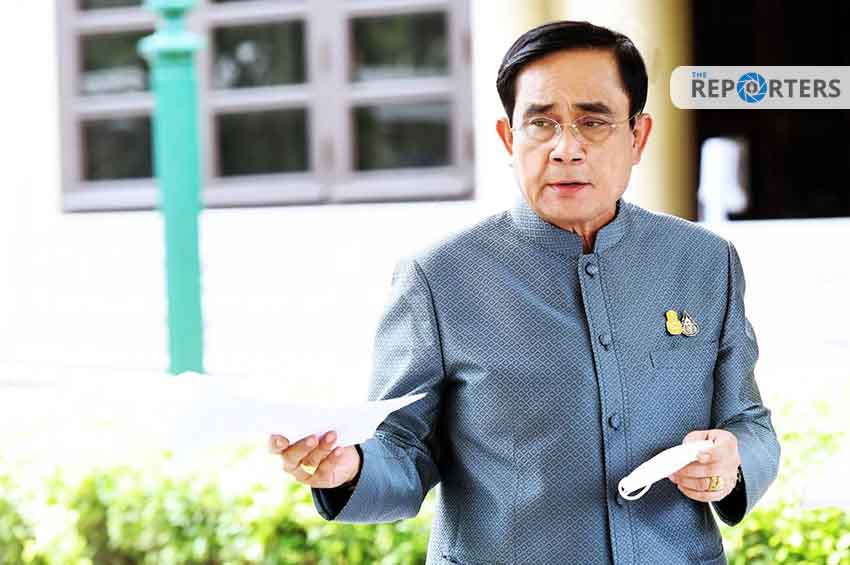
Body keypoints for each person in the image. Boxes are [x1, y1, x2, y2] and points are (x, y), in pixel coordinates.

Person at [268, 20, 780, 565]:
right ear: (509, 139)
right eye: (541, 123)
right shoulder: (439, 277)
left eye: (593, 122)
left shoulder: (705, 262)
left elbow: (748, 421)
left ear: (638, 137)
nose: (566, 149)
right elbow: (402, 448)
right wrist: (350, 469)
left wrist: (733, 461)